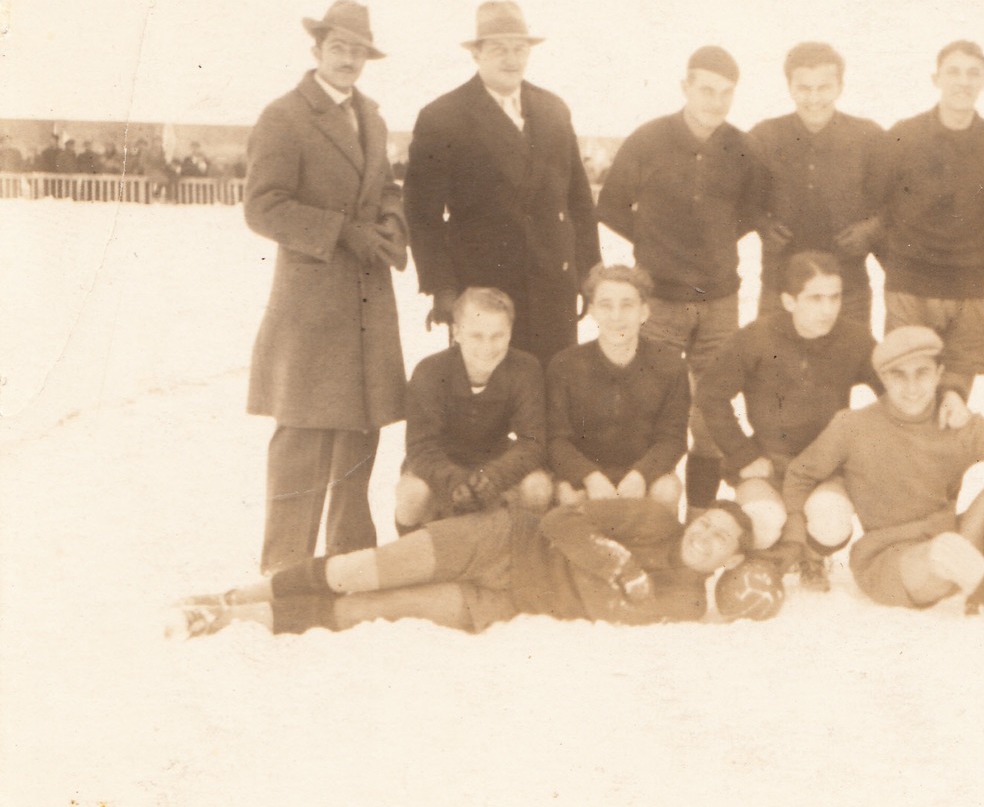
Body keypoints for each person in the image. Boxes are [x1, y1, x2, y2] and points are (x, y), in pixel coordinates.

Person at [778, 327, 984, 637]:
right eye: (898, 375)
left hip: (953, 537)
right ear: (883, 378)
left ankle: (980, 582)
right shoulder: (853, 426)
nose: (912, 386)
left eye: (922, 373)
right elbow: (800, 474)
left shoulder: (955, 423)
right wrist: (796, 539)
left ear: (939, 373)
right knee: (946, 549)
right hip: (892, 561)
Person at [244, 0, 409, 574]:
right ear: (317, 51)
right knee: (304, 437)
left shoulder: (373, 118)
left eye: (359, 50)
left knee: (360, 431)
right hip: (312, 307)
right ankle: (284, 571)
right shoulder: (284, 116)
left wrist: (390, 222)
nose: (349, 59)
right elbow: (263, 207)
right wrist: (341, 233)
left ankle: (348, 566)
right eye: (339, 48)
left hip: (368, 301)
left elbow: (386, 187)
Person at [168, 498, 757, 637]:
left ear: (729, 558)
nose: (704, 536)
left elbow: (615, 612)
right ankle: (236, 593)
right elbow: (559, 521)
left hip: (505, 604)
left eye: (720, 538)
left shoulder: (688, 603)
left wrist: (618, 584)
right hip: (501, 540)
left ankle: (230, 622)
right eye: (705, 522)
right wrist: (617, 559)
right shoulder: (654, 517)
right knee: (364, 569)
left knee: (371, 611)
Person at [596, 46, 772, 511]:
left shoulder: (742, 147)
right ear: (685, 88)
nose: (715, 101)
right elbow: (611, 205)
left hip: (719, 300)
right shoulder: (648, 140)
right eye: (706, 90)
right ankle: (645, 517)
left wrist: (713, 242)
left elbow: (752, 212)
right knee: (646, 406)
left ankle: (696, 516)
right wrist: (654, 242)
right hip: (661, 301)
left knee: (710, 412)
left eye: (726, 93)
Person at [404, 0, 602, 366]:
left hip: (553, 290)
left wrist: (589, 271)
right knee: (486, 403)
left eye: (520, 49)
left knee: (551, 397)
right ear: (476, 53)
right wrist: (443, 289)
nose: (512, 59)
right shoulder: (442, 117)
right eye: (498, 49)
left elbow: (579, 202)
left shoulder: (553, 110)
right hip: (484, 293)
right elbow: (422, 216)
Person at [696, 251, 884, 590]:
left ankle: (811, 555)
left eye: (835, 297)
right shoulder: (756, 337)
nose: (828, 309)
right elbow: (711, 394)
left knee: (832, 519)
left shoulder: (854, 338)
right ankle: (765, 561)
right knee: (763, 520)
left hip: (824, 465)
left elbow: (892, 389)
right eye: (815, 298)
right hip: (768, 460)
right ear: (788, 300)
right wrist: (743, 455)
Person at [875, 41, 984, 404]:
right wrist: (899, 261)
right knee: (909, 397)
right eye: (954, 72)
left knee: (953, 401)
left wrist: (979, 265)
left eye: (972, 73)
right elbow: (877, 208)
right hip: (908, 285)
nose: (963, 82)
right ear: (936, 78)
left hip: (967, 287)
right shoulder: (905, 133)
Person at [749, 42, 886, 330]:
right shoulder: (764, 137)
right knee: (773, 370)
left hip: (847, 289)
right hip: (781, 286)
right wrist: (760, 223)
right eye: (804, 88)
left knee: (848, 370)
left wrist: (871, 229)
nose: (814, 98)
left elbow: (899, 202)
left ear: (840, 86)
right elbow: (734, 196)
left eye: (824, 87)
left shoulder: (868, 137)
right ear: (790, 87)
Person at [395, 287, 552, 535]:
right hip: (440, 460)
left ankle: (524, 554)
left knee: (538, 486)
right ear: (456, 332)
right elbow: (420, 447)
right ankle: (411, 554)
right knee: (411, 493)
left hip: (496, 458)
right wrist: (455, 480)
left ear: (510, 332)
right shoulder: (430, 370)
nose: (487, 347)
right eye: (477, 336)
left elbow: (531, 442)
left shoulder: (525, 368)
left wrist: (492, 477)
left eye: (497, 336)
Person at [546, 263, 688, 511]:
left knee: (667, 490)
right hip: (585, 475)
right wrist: (589, 476)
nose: (616, 316)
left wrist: (640, 475)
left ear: (644, 311)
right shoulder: (565, 365)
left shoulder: (670, 365)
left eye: (627, 305)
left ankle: (655, 550)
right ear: (592, 311)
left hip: (642, 474)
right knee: (568, 495)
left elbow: (673, 439)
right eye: (606, 305)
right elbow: (556, 439)